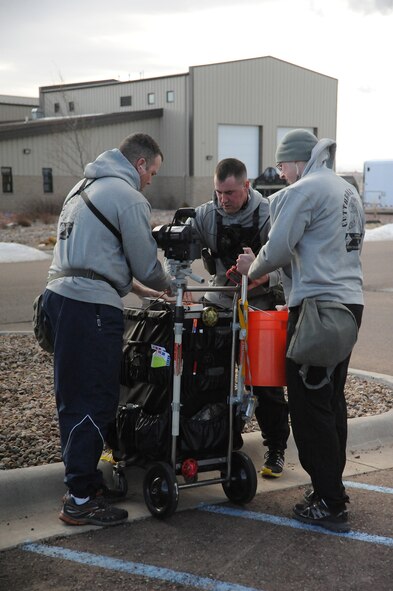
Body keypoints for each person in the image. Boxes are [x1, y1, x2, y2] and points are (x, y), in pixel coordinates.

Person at [43, 132, 174, 526]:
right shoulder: (129, 196)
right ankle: (80, 500)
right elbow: (146, 263)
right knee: (97, 398)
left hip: (59, 299)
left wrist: (140, 289)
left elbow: (96, 257)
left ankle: (81, 482)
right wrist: (175, 285)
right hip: (90, 309)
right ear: (139, 164)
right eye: (152, 171)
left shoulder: (82, 187)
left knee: (73, 396)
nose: (151, 179)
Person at [237, 129, 364, 533]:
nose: (281, 174)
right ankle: (330, 489)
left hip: (315, 310)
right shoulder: (346, 190)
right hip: (347, 306)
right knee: (330, 401)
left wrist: (251, 269)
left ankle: (329, 502)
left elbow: (277, 248)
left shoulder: (304, 190)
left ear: (295, 161)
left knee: (309, 409)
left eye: (281, 166)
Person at [190, 158, 290, 477]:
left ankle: (275, 449)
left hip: (260, 307)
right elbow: (176, 254)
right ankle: (219, 440)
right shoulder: (205, 215)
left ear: (246, 186)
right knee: (211, 378)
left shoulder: (269, 213)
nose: (224, 199)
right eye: (219, 192)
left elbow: (290, 265)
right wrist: (177, 284)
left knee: (264, 384)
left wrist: (265, 278)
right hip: (219, 305)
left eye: (230, 192)